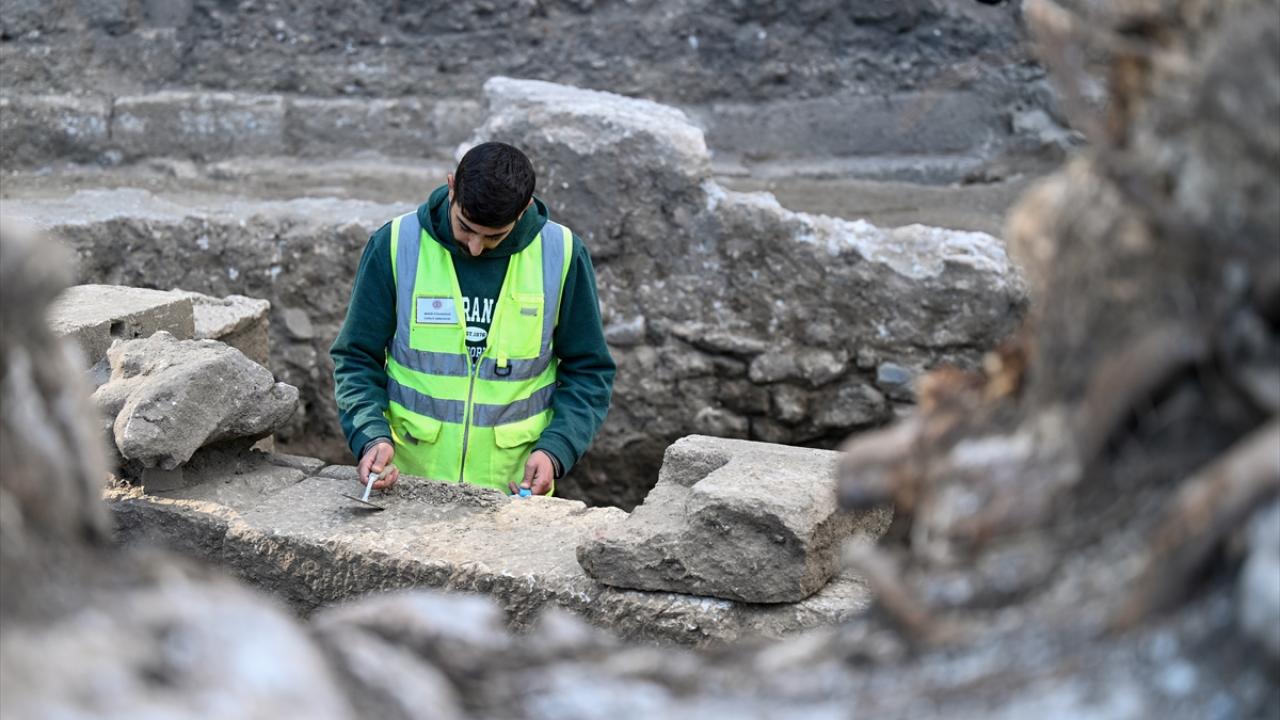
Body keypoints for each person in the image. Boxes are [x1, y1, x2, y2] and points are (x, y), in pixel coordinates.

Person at [330, 142, 615, 496]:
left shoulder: (562, 254)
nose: (476, 247)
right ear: (452, 186)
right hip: (408, 486)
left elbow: (589, 371)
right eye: (466, 227)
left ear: (524, 208)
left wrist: (556, 450)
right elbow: (356, 357)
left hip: (510, 497)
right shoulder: (397, 244)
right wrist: (370, 435)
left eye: (494, 235)